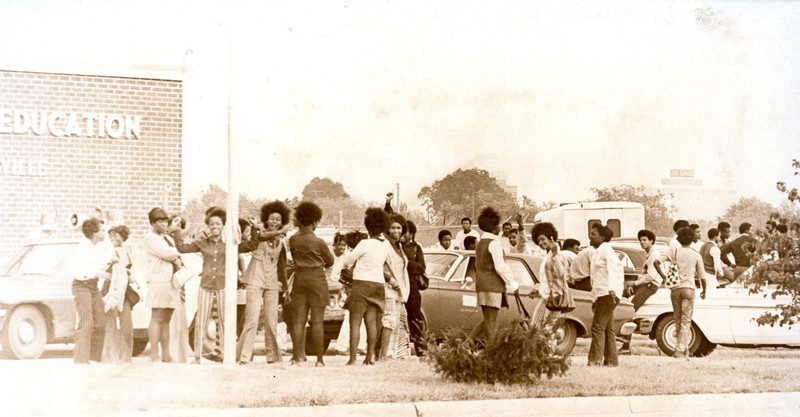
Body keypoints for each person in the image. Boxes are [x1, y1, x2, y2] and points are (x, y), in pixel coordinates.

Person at [174, 207, 261, 364]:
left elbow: (252, 245)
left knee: (224, 320)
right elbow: (182, 248)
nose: (214, 227)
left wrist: (255, 227)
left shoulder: (231, 244)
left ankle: (224, 354)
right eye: (212, 224)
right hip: (206, 285)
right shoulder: (202, 243)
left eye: (218, 224)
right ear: (208, 226)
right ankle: (197, 356)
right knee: (201, 320)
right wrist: (178, 230)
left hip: (223, 286)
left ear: (223, 226)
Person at [236, 201, 292, 365]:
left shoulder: (282, 242)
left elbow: (282, 267)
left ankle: (273, 357)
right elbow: (258, 238)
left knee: (271, 319)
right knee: (252, 319)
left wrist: (286, 289)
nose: (275, 222)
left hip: (272, 281)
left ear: (282, 222)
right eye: (272, 219)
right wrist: (279, 231)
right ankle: (244, 357)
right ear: (266, 220)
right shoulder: (258, 232)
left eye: (278, 220)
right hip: (254, 278)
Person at [287, 201, 335, 366]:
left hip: (300, 279)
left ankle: (296, 357)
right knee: (317, 321)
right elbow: (330, 261)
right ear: (314, 221)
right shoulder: (319, 242)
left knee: (298, 320)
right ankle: (320, 360)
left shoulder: (293, 240)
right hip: (317, 280)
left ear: (299, 220)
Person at [343, 208, 390, 365]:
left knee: (355, 321)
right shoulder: (385, 245)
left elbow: (348, 261)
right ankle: (370, 357)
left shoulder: (364, 243)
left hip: (361, 284)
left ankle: (352, 359)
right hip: (378, 284)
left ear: (368, 227)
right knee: (372, 321)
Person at [65, 218, 112, 364]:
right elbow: (77, 270)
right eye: (103, 231)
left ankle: (94, 359)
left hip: (93, 286)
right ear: (94, 232)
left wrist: (105, 266)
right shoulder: (82, 247)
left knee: (101, 323)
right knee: (86, 323)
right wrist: (97, 274)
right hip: (81, 285)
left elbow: (105, 260)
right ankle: (81, 361)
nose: (105, 233)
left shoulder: (97, 247)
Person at [654, 227, 706, 359]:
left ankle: (683, 349)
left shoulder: (674, 252)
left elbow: (656, 262)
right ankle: (680, 350)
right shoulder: (696, 255)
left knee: (677, 319)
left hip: (675, 289)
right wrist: (704, 291)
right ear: (692, 240)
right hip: (689, 289)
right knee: (686, 320)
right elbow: (702, 277)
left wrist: (664, 278)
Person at [470, 207, 518, 341]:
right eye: (497, 225)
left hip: (481, 285)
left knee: (487, 320)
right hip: (492, 286)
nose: (499, 228)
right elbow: (500, 267)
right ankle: (491, 351)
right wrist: (513, 283)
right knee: (491, 321)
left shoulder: (480, 243)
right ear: (493, 227)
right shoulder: (494, 244)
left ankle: (463, 346)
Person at [142, 207, 183, 363]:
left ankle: (166, 354)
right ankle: (154, 354)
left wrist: (175, 255)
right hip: (158, 280)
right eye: (159, 221)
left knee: (167, 318)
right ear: (152, 223)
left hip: (171, 281)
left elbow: (173, 252)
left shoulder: (169, 239)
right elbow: (168, 253)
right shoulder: (150, 237)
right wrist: (176, 255)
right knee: (157, 316)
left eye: (165, 221)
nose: (163, 224)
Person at [619, 229, 662, 354]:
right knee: (624, 296)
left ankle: (626, 346)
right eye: (640, 241)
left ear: (651, 241)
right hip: (646, 284)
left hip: (650, 286)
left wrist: (635, 284)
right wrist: (632, 285)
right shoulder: (649, 254)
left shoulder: (654, 255)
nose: (642, 243)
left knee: (629, 311)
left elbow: (651, 276)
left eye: (644, 240)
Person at [529, 222, 570, 352]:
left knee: (542, 329)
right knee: (545, 329)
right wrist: (537, 290)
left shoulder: (559, 255)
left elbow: (560, 273)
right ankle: (547, 356)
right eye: (538, 240)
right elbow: (547, 279)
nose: (540, 243)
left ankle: (546, 356)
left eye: (543, 239)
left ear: (551, 238)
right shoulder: (548, 256)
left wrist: (555, 253)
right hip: (546, 297)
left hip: (553, 299)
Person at [587, 224, 623, 367]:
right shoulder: (599, 251)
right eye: (590, 233)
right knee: (607, 329)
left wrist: (612, 288)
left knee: (597, 328)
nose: (590, 236)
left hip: (608, 294)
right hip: (603, 294)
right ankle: (612, 361)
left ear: (602, 237)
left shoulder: (605, 249)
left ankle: (595, 361)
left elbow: (615, 268)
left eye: (594, 234)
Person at [379, 211, 411, 360]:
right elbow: (379, 265)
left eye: (399, 228)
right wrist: (391, 280)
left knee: (401, 320)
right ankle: (383, 356)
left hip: (401, 291)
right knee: (389, 320)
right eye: (393, 228)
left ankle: (397, 354)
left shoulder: (399, 246)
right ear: (387, 229)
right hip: (388, 290)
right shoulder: (384, 245)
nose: (396, 231)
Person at [101, 225, 135, 363]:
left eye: (116, 235)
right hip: (109, 291)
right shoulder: (105, 251)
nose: (113, 238)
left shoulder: (128, 251)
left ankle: (126, 357)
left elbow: (132, 269)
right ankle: (110, 357)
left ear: (123, 237)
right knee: (109, 325)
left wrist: (128, 274)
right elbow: (101, 266)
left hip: (125, 292)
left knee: (127, 325)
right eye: (111, 236)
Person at [401, 221, 427, 356]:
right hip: (398, 287)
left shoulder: (416, 248)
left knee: (415, 318)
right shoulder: (395, 246)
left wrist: (405, 262)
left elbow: (421, 267)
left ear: (411, 234)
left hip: (413, 288)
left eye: (405, 231)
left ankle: (421, 350)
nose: (402, 234)